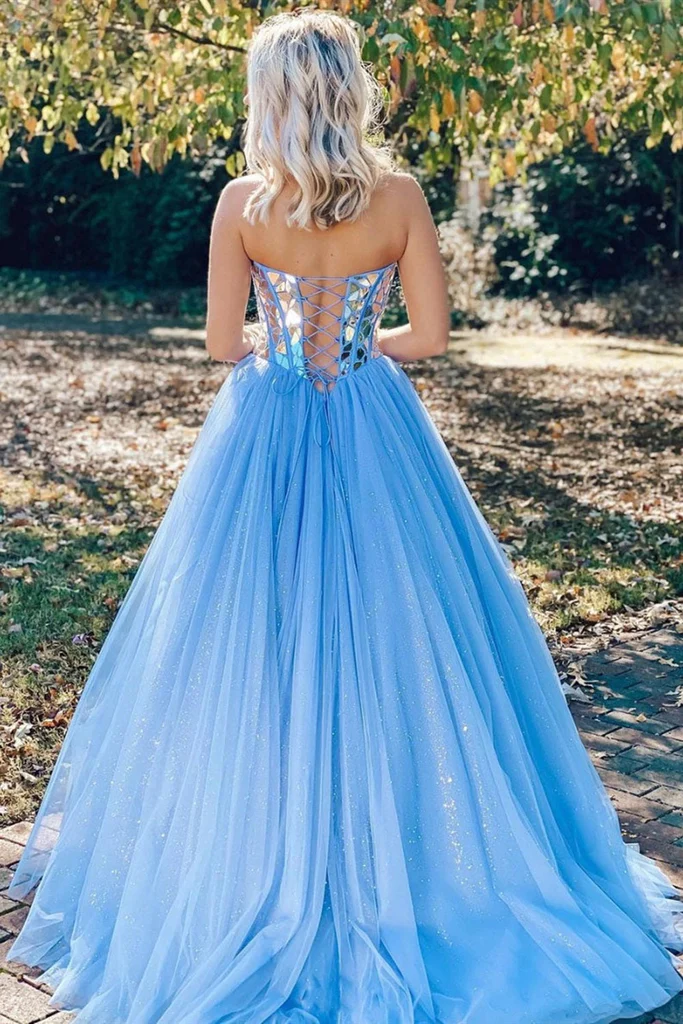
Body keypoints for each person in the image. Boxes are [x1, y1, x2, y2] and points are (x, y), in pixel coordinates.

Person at [6, 10, 683, 1024]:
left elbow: (220, 343)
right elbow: (433, 334)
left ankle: (263, 854)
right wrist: (356, 352)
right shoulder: (398, 196)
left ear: (269, 95)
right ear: (349, 87)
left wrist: (284, 355)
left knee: (252, 637)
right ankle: (401, 854)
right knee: (399, 629)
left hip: (264, 430)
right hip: (374, 422)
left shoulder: (241, 202)